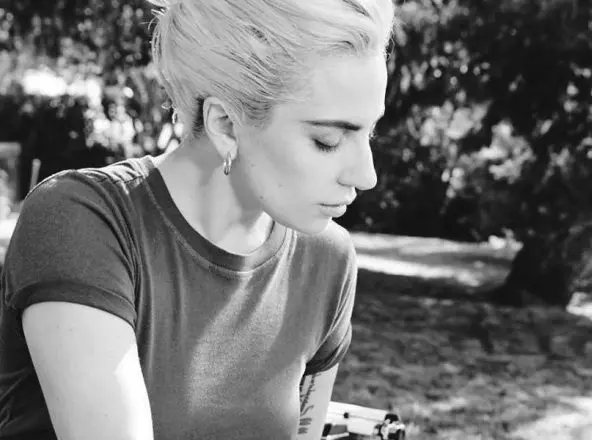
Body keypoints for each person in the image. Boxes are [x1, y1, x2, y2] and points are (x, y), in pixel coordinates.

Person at [0, 0, 394, 438]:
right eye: (328, 140)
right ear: (225, 124)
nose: (367, 176)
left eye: (369, 132)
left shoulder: (327, 261)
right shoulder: (82, 222)